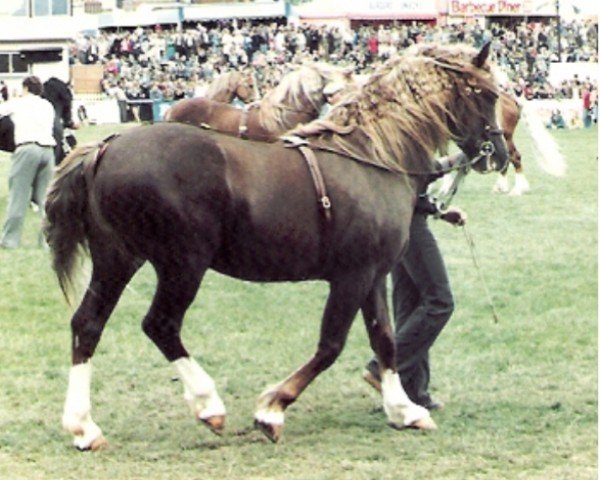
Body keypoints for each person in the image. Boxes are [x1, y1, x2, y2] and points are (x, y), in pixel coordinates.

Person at [363, 152, 468, 411]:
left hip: (401, 220)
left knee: (410, 305)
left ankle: (411, 392)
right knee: (440, 302)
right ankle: (382, 366)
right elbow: (417, 172)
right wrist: (458, 159)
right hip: (408, 224)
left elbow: (410, 184)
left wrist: (440, 211)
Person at [0, 76, 56, 249]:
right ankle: (46, 241)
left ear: (25, 88)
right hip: (48, 150)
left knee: (18, 196)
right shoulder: (47, 105)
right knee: (45, 199)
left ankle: (10, 240)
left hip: (27, 148)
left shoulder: (20, 103)